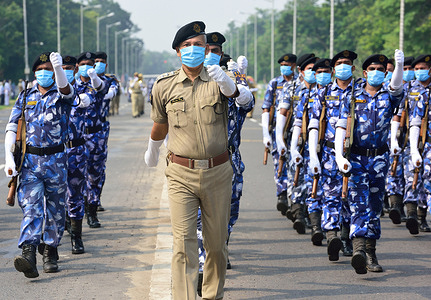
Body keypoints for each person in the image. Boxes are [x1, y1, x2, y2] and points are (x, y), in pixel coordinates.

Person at [144, 21, 240, 299]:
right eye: (187, 46)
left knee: (216, 244)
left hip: (218, 171)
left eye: (199, 45)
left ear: (207, 49)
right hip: (180, 173)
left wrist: (228, 81)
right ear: (177, 51)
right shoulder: (164, 85)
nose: (193, 50)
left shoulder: (220, 80)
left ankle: (212, 295)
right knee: (183, 243)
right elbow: (161, 122)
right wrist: (152, 148)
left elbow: (240, 98)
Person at [4, 52, 74, 277]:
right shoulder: (25, 96)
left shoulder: (62, 94)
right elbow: (12, 126)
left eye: (48, 70)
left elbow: (67, 91)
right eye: (40, 70)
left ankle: (50, 251)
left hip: (56, 161)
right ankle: (29, 254)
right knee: (31, 208)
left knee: (55, 209)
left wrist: (59, 69)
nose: (44, 73)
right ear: (34, 73)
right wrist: (8, 158)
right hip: (31, 162)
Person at [334, 50, 404, 274]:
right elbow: (341, 125)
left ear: (385, 74)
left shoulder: (389, 96)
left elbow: (397, 88)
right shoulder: (353, 95)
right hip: (356, 157)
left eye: (381, 70)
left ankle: (371, 251)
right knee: (357, 203)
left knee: (374, 205)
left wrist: (400, 67)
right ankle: (358, 250)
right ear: (365, 72)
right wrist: (338, 156)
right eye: (372, 69)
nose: (376, 73)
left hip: (379, 159)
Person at [196, 32, 254, 295]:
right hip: (198, 162)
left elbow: (247, 101)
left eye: (215, 50)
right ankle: (202, 267)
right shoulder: (189, 79)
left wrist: (229, 82)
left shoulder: (234, 79)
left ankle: (218, 250)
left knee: (227, 218)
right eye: (205, 48)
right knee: (199, 221)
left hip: (229, 160)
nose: (210, 53)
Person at [308, 51, 358, 260]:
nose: (343, 67)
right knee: (331, 195)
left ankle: (346, 238)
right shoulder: (324, 92)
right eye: (340, 64)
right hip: (329, 152)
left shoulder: (361, 90)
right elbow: (313, 123)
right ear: (334, 68)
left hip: (355, 154)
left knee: (350, 197)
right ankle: (332, 236)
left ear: (353, 68)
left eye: (347, 63)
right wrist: (312, 154)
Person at [279, 55, 319, 234]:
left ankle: (313, 216)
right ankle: (298, 213)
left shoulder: (323, 90)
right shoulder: (292, 87)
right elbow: (283, 112)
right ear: (301, 71)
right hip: (296, 138)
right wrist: (279, 138)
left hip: (319, 142)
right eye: (309, 69)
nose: (313, 72)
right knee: (296, 175)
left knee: (314, 178)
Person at [62, 54, 92, 254]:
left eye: (68, 68)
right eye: (61, 68)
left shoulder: (82, 90)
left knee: (75, 196)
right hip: (55, 152)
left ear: (74, 71)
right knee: (55, 196)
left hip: (77, 151)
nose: (65, 71)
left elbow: (86, 101)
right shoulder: (50, 93)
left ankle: (76, 238)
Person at [262, 53, 298, 215]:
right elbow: (266, 106)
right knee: (280, 161)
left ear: (294, 66)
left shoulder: (300, 82)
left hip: (297, 129)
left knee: (296, 163)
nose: (285, 66)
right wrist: (266, 133)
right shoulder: (275, 83)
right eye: (283, 64)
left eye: (288, 64)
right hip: (279, 129)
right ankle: (282, 195)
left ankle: (296, 199)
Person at [76, 51, 107, 228]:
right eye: (83, 64)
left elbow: (101, 88)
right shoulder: (71, 84)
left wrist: (94, 76)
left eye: (90, 63)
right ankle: (74, 214)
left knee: (95, 176)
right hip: (77, 138)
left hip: (96, 136)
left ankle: (92, 211)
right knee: (76, 178)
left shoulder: (98, 82)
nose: (86, 67)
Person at [405, 54, 431, 234]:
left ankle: (422, 216)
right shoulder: (409, 90)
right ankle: (411, 214)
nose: (421, 71)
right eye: (418, 68)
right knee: (411, 176)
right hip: (413, 139)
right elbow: (401, 115)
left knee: (427, 179)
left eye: (424, 68)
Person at [93, 51, 120, 212]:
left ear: (106, 64)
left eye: (101, 61)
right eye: (95, 61)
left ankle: (95, 200)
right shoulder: (80, 81)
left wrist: (105, 92)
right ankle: (82, 200)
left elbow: (111, 92)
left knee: (98, 168)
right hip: (80, 133)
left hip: (100, 131)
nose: (98, 64)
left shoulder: (110, 81)